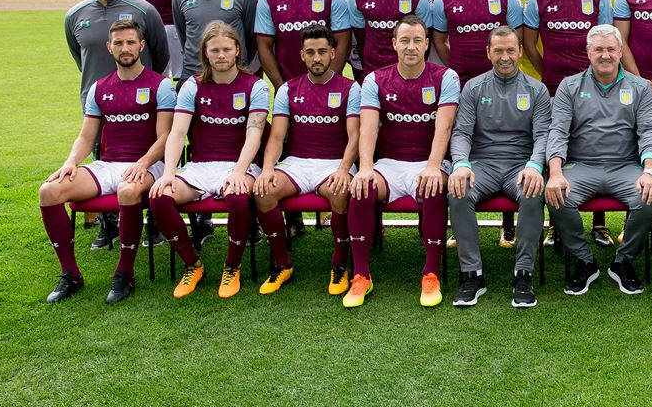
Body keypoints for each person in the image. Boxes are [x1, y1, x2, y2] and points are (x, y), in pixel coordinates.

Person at [40, 19, 175, 304]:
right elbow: (86, 137)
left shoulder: (160, 85)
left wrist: (143, 163)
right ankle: (70, 274)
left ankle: (124, 273)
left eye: (130, 42)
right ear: (108, 47)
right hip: (108, 164)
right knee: (49, 191)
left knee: (128, 191)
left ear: (142, 44)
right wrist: (70, 162)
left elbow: (166, 136)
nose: (124, 48)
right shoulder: (99, 87)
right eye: (118, 43)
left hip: (150, 164)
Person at [149, 21, 270, 299]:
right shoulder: (192, 85)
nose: (221, 55)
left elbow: (254, 134)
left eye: (227, 49)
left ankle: (232, 266)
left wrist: (240, 171)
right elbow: (177, 133)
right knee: (160, 197)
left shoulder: (255, 86)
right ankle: (193, 264)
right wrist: (168, 173)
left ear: (238, 50)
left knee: (239, 197)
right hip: (201, 166)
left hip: (240, 164)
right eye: (214, 50)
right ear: (205, 53)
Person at [346, 16, 459, 308]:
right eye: (405, 41)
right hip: (390, 164)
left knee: (433, 186)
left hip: (427, 161)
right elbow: (367, 128)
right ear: (394, 44)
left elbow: (443, 127)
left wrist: (434, 166)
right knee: (362, 188)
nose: (411, 47)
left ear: (426, 45)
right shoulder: (375, 79)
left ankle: (431, 272)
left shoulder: (445, 77)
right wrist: (367, 167)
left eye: (417, 41)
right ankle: (361, 275)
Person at [544, 24, 652, 296]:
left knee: (650, 195)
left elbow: (649, 131)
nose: (605, 55)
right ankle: (585, 261)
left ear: (621, 51)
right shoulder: (569, 86)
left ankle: (624, 261)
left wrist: (649, 170)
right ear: (588, 52)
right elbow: (558, 131)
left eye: (611, 49)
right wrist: (556, 172)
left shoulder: (640, 87)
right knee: (556, 193)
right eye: (599, 49)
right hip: (582, 165)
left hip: (625, 166)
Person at [64, 0, 168, 249]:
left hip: (141, 105)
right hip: (98, 104)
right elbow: (81, 57)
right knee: (103, 160)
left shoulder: (144, 10)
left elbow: (158, 57)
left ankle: (152, 223)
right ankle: (109, 225)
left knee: (144, 164)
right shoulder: (74, 15)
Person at [447, 27, 551, 308]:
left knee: (532, 191)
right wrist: (461, 164)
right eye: (498, 51)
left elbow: (543, 135)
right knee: (458, 189)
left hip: (521, 165)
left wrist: (534, 165)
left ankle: (523, 273)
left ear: (519, 52)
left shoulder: (536, 89)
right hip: (483, 164)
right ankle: (472, 274)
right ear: (488, 53)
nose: (505, 57)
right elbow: (462, 133)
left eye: (510, 50)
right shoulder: (474, 88)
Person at [252, 25, 360, 296]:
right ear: (301, 55)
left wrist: (344, 169)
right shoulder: (289, 89)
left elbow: (355, 136)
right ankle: (282, 263)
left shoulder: (351, 88)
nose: (317, 58)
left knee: (340, 190)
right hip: (298, 163)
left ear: (333, 53)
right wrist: (266, 170)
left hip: (335, 162)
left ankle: (339, 264)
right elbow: (276, 138)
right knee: (264, 192)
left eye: (323, 51)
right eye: (310, 52)